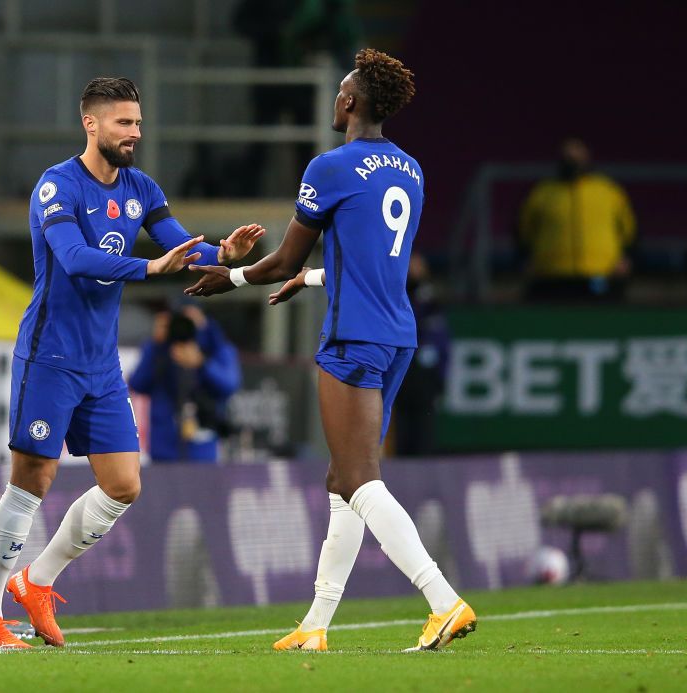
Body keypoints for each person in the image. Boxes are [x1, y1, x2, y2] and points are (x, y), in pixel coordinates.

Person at [185, 48, 476, 652]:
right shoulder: (411, 170)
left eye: (340, 90)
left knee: (360, 479)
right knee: (342, 482)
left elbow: (285, 257)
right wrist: (318, 279)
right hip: (396, 334)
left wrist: (231, 277)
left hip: (352, 339)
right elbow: (378, 264)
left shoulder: (330, 167)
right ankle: (316, 624)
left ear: (349, 103)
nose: (335, 98)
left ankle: (443, 600)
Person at [0, 77, 263, 650]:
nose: (135, 133)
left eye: (139, 123)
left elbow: (178, 242)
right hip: (50, 355)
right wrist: (151, 270)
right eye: (124, 123)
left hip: (100, 365)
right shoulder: (57, 187)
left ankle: (37, 580)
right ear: (91, 124)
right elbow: (75, 260)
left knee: (124, 484)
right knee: (33, 481)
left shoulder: (141, 188)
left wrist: (221, 254)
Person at [518, 138, 636, 302]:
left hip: (601, 274)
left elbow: (630, 230)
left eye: (577, 155)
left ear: (587, 157)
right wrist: (525, 260)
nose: (572, 161)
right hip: (552, 276)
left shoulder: (607, 191)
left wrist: (627, 258)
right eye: (567, 156)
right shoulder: (543, 193)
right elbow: (522, 231)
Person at [128, 301, 241, 463]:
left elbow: (229, 386)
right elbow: (138, 384)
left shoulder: (217, 347)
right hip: (163, 448)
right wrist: (156, 346)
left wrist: (202, 364)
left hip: (203, 447)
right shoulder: (159, 348)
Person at [392, 252, 450, 456]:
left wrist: (441, 378)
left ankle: (423, 476)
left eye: (418, 264)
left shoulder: (431, 300)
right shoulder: (395, 294)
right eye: (410, 263)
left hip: (424, 375)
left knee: (423, 431)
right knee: (401, 431)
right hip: (401, 370)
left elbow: (441, 342)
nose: (414, 268)